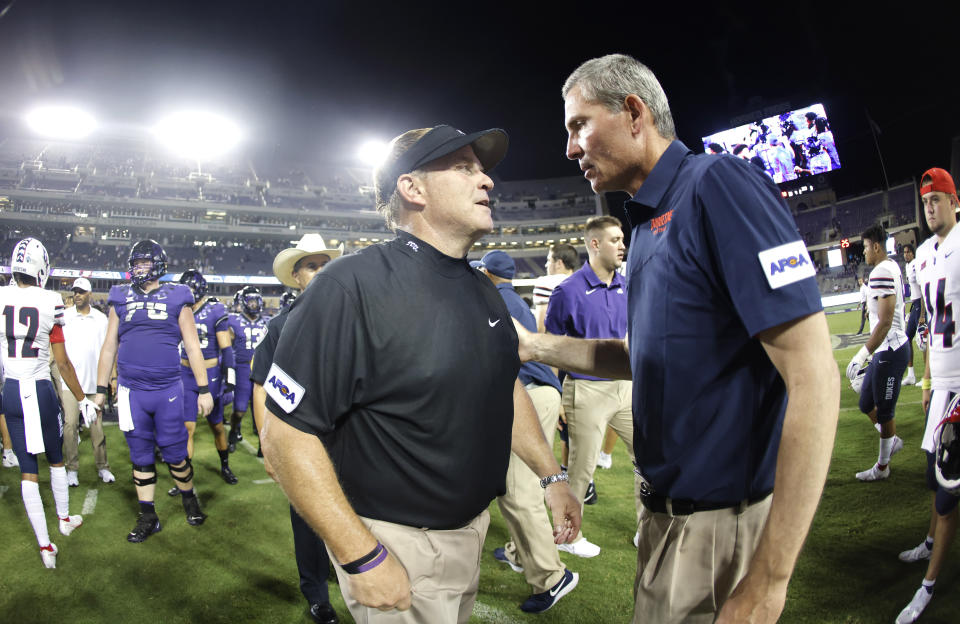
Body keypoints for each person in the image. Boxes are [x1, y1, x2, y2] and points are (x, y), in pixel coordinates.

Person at [514, 53, 838, 623]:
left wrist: (768, 578)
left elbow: (813, 374)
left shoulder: (719, 185)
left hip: (717, 525)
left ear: (634, 112)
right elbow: (644, 356)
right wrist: (536, 347)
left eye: (578, 125)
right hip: (667, 516)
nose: (569, 148)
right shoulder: (647, 223)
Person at [260, 124, 581, 623]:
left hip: (470, 529)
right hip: (396, 541)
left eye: (481, 169)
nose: (487, 181)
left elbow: (503, 386)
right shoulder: (350, 286)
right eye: (463, 167)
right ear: (412, 190)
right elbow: (283, 435)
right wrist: (359, 552)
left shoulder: (480, 289)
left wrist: (551, 475)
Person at [476, 250, 578, 613]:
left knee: (518, 491)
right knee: (525, 484)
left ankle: (552, 576)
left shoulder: (487, 299)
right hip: (543, 391)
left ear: (486, 273)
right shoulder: (513, 300)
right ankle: (518, 550)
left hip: (528, 397)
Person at [250, 233, 343, 624]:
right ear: (296, 275)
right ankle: (316, 592)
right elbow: (260, 387)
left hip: (350, 437)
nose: (320, 272)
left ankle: (346, 568)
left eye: (324, 264)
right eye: (311, 266)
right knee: (308, 516)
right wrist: (269, 445)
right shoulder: (280, 326)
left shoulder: (352, 317)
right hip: (303, 438)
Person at [94, 240, 214, 542]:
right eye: (135, 263)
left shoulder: (177, 295)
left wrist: (203, 388)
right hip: (132, 391)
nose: (138, 268)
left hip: (167, 391)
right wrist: (99, 388)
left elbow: (192, 345)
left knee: (175, 454)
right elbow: (109, 345)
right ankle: (148, 515)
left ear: (158, 264)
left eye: (144, 263)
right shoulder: (120, 296)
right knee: (140, 455)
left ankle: (189, 498)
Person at [543, 215, 637, 556]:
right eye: (614, 239)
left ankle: (648, 526)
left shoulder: (628, 285)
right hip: (586, 390)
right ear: (594, 244)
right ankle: (568, 536)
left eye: (622, 238)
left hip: (624, 387)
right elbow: (552, 346)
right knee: (580, 471)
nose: (622, 245)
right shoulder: (567, 291)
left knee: (649, 456)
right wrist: (556, 395)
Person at [1, 238, 94, 568]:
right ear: (41, 267)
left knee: (27, 471)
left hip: (10, 391)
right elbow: (63, 363)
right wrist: (82, 399)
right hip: (39, 391)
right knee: (55, 460)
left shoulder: (1, 296)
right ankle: (64, 519)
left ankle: (45, 547)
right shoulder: (50, 301)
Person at [895, 168, 960, 623]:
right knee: (933, 480)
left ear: (954, 202)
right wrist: (927, 380)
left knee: (948, 491)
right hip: (941, 384)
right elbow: (928, 321)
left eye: (938, 198)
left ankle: (929, 586)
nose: (930, 206)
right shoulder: (921, 255)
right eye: (925, 201)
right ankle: (932, 543)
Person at [846, 224, 908, 481]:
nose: (864, 252)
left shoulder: (882, 271)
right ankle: (890, 440)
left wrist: (863, 354)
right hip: (885, 348)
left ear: (877, 246)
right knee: (865, 402)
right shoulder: (890, 266)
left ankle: (882, 467)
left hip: (890, 349)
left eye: (866, 247)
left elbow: (884, 321)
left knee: (884, 411)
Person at [170, 269, 237, 490]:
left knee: (216, 426)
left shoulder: (214, 309)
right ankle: (185, 477)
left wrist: (230, 379)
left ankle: (225, 465)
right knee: (187, 427)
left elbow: (226, 348)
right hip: (186, 374)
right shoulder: (179, 310)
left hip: (212, 375)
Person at [61, 277, 115, 486]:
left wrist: (111, 377)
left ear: (90, 294)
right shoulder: (65, 317)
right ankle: (71, 468)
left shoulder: (101, 319)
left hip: (93, 383)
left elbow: (109, 350)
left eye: (81, 292)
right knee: (70, 425)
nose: (77, 295)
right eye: (75, 292)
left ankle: (103, 467)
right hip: (70, 384)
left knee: (96, 427)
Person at [226, 286, 269, 453]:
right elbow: (226, 346)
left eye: (255, 300)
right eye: (250, 301)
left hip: (261, 369)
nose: (253, 304)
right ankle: (233, 433)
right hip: (242, 369)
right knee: (239, 410)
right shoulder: (233, 320)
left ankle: (262, 444)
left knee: (261, 410)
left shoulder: (267, 321)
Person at [533, 243, 580, 333]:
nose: (546, 265)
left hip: (557, 343)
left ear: (559, 263)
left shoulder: (546, 283)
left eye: (549, 260)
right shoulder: (583, 283)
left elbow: (541, 328)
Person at [902, 243, 924, 386]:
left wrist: (922, 313)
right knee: (908, 337)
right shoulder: (908, 266)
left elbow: (921, 289)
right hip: (914, 304)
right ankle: (911, 375)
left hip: (920, 305)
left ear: (913, 253)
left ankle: (929, 376)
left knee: (923, 340)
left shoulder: (916, 264)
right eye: (904, 252)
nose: (906, 254)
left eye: (908, 252)